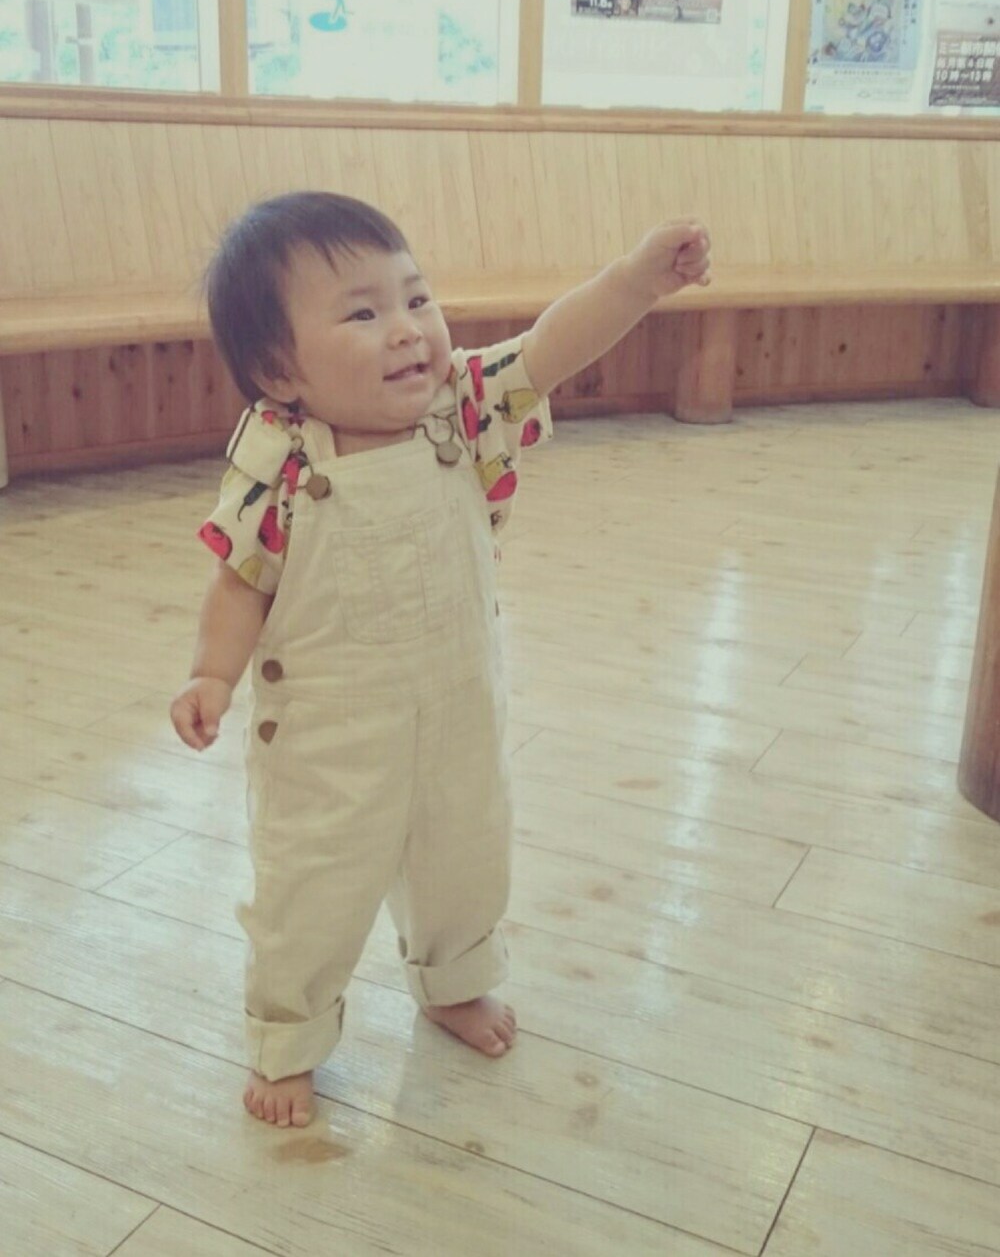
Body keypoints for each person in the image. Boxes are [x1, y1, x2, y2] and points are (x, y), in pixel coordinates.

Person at [170, 191, 712, 1129]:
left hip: (458, 708)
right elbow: (240, 581)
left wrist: (635, 281)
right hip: (330, 741)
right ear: (278, 370)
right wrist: (211, 675)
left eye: (416, 298)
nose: (408, 330)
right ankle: (289, 1035)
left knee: (465, 858)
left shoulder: (461, 407)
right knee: (311, 889)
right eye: (363, 313)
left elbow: (551, 347)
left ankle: (455, 980)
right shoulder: (284, 466)